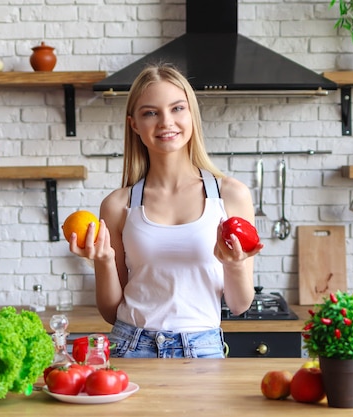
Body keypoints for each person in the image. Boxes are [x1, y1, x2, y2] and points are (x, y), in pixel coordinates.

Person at [68, 64, 264, 358]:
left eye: (177, 108)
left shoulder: (230, 196)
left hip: (203, 348)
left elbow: (239, 305)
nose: (166, 122)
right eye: (150, 112)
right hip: (131, 345)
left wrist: (235, 264)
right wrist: (105, 261)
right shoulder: (118, 205)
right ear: (134, 124)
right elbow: (111, 312)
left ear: (191, 115)